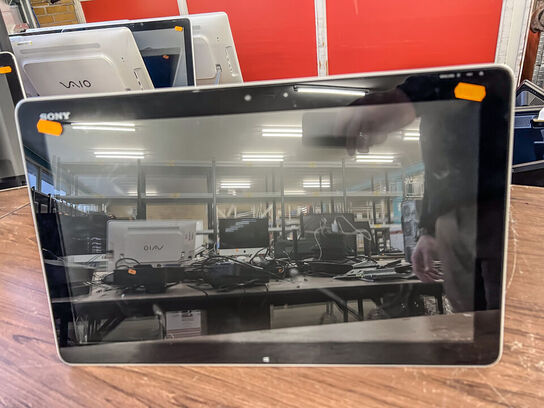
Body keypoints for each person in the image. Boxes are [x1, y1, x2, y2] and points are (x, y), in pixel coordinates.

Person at [332, 76, 502, 312]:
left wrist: (411, 97)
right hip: (454, 221)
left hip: (496, 213)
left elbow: (481, 90)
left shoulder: (474, 88)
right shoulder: (443, 111)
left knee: (503, 319)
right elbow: (438, 168)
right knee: (466, 318)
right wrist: (430, 230)